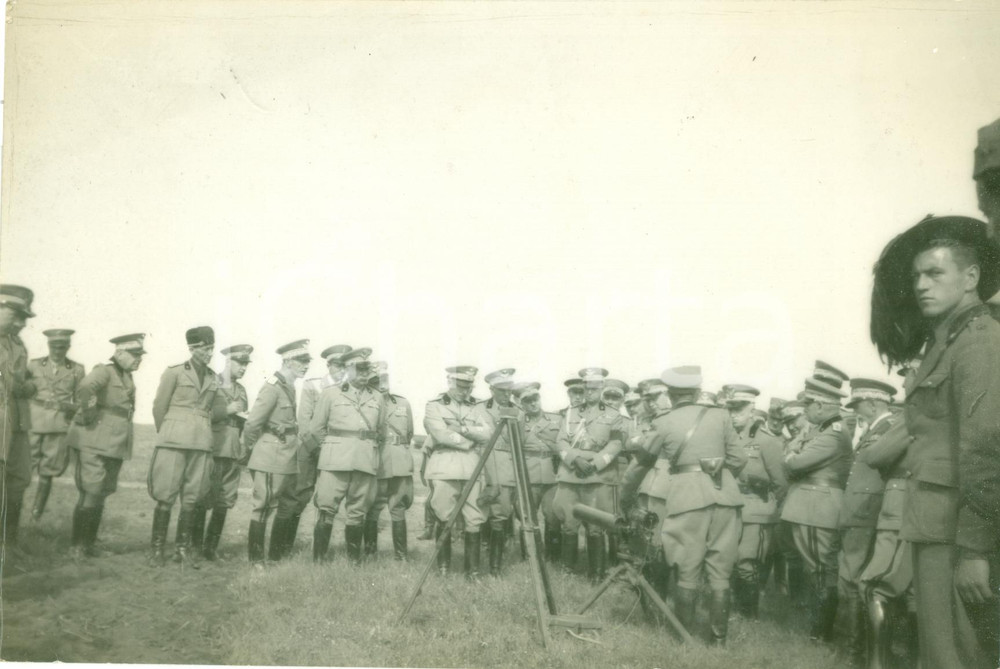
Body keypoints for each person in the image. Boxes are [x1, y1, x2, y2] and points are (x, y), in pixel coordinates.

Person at [870, 214, 1000, 668]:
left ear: (970, 278)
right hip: (934, 525)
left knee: (959, 657)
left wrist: (976, 551)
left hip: (958, 534)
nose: (921, 285)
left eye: (934, 274)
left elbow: (986, 452)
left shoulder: (980, 343)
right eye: (917, 276)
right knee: (940, 654)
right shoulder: (949, 341)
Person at [642, 366, 745, 645]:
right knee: (721, 570)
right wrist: (716, 476)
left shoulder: (664, 421)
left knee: (687, 567)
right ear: (698, 392)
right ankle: (718, 639)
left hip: (687, 497)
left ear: (671, 395)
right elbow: (738, 459)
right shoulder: (721, 415)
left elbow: (643, 458)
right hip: (726, 495)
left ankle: (683, 637)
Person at [780, 366, 852, 643]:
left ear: (821, 405)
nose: (805, 410)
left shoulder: (833, 433)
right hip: (811, 507)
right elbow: (790, 456)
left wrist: (792, 457)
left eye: (808, 404)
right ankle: (819, 629)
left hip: (817, 509)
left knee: (821, 570)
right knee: (818, 569)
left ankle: (821, 633)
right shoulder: (821, 429)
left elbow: (793, 461)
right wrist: (792, 456)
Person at [66, 333, 146, 559]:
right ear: (119, 353)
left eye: (140, 355)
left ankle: (89, 544)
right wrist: (89, 413)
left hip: (114, 443)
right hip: (93, 439)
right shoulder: (104, 371)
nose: (138, 359)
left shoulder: (126, 376)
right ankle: (78, 547)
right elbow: (84, 388)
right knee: (91, 490)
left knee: (102, 491)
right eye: (134, 354)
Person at [306, 348, 387, 565]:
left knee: (357, 512)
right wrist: (333, 446)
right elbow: (316, 428)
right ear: (348, 369)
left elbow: (381, 431)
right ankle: (319, 561)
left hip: (364, 461)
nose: (364, 373)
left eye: (366, 369)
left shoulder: (377, 397)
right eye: (359, 369)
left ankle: (354, 562)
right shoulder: (331, 394)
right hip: (335, 462)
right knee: (326, 509)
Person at [147, 326, 219, 569]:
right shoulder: (175, 373)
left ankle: (181, 549)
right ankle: (156, 549)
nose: (210, 353)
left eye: (211, 348)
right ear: (192, 348)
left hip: (201, 443)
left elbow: (214, 409)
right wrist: (168, 432)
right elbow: (159, 407)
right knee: (166, 494)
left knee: (191, 497)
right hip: (173, 441)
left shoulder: (213, 377)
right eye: (205, 348)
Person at [837, 378, 897, 665]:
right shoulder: (875, 428)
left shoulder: (889, 429)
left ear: (874, 403)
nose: (856, 411)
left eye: (859, 405)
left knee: (855, 581)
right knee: (852, 580)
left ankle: (853, 654)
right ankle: (853, 651)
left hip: (868, 513)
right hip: (861, 512)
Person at [243, 340, 311, 567]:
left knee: (289, 504)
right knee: (263, 506)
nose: (306, 365)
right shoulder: (272, 387)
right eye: (301, 361)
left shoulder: (289, 386)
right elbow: (253, 423)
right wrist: (252, 449)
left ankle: (275, 558)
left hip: (288, 456)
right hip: (271, 455)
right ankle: (256, 561)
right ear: (288, 361)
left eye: (307, 361)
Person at [553, 367, 624, 583]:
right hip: (571, 473)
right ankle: (568, 570)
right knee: (568, 523)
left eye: (594, 388)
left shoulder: (613, 415)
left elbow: (616, 443)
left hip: (597, 476)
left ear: (601, 388)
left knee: (596, 526)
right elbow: (560, 441)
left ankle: (596, 573)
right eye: (587, 388)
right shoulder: (571, 413)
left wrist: (595, 464)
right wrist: (575, 459)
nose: (590, 392)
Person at [858, 418, 918, 669]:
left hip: (901, 505)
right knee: (917, 590)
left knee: (875, 584)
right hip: (934, 507)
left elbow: (874, 455)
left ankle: (877, 665)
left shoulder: (915, 414)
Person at [725, 384, 787, 619]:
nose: (733, 415)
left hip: (756, 508)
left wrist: (767, 505)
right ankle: (733, 607)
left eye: (738, 410)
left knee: (746, 561)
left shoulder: (767, 441)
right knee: (730, 559)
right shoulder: (728, 437)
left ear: (752, 410)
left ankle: (748, 613)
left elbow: (781, 482)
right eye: (730, 410)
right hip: (732, 506)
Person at [423, 366, 491, 579]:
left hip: (473, 468)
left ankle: (472, 571)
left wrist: (460, 429)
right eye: (461, 386)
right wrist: (470, 441)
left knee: (475, 517)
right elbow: (440, 435)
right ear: (450, 383)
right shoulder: (434, 406)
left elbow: (488, 433)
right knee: (444, 515)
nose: (465, 391)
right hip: (444, 466)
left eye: (468, 386)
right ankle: (443, 569)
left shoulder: (477, 406)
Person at [288, 344, 355, 557]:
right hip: (311, 450)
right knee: (299, 497)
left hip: (336, 454)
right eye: (337, 365)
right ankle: (285, 547)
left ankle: (319, 552)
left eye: (345, 365)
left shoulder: (351, 390)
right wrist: (320, 447)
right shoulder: (314, 386)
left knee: (327, 500)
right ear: (329, 365)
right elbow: (305, 424)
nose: (341, 370)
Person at [196, 344, 253, 561]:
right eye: (240, 363)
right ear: (229, 362)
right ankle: (194, 546)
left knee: (224, 500)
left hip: (232, 452)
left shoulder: (241, 390)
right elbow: (199, 413)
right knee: (203, 497)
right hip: (212, 448)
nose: (244, 368)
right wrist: (226, 410)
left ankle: (210, 548)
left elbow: (244, 420)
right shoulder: (212, 383)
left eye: (246, 365)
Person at [27, 329, 84, 520]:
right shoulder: (34, 365)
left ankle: (36, 513)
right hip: (34, 421)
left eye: (62, 347)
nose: (57, 351)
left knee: (49, 470)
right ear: (48, 346)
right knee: (23, 465)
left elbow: (80, 398)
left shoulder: (76, 369)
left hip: (59, 423)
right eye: (53, 346)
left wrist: (70, 409)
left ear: (68, 347)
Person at [363, 362, 414, 561]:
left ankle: (401, 556)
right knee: (372, 507)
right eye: (376, 381)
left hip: (400, 462)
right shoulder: (366, 404)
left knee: (398, 507)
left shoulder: (403, 403)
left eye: (385, 380)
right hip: (377, 462)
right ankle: (369, 554)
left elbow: (409, 433)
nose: (382, 385)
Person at [0, 285, 36, 551]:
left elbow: (22, 379)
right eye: (16, 315)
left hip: (17, 418)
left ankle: (7, 542)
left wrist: (30, 384)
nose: (22, 323)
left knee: (18, 478)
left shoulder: (16, 343)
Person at [474, 368, 518, 576]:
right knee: (476, 511)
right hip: (480, 465)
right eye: (501, 391)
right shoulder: (478, 409)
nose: (506, 395)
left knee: (500, 516)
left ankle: (495, 567)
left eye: (509, 391)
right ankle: (473, 564)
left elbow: (521, 443)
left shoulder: (517, 411)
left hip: (504, 467)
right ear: (491, 389)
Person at [514, 382, 561, 562]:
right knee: (527, 516)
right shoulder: (518, 422)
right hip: (529, 473)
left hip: (552, 473)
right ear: (521, 403)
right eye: (528, 401)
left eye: (535, 399)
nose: (533, 404)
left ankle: (554, 557)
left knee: (553, 515)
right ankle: (530, 557)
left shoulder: (555, 419)